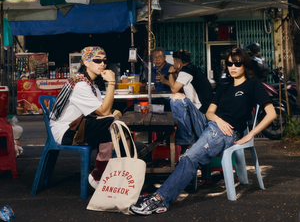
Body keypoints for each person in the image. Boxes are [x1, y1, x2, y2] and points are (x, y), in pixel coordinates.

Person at [130, 48, 277, 215]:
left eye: (237, 63)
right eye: (229, 63)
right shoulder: (224, 86)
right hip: (210, 124)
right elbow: (209, 113)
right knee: (177, 98)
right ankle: (186, 142)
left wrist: (250, 135)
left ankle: (160, 199)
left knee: (189, 158)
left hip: (227, 132)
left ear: (245, 65)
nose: (233, 67)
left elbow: (271, 113)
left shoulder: (253, 84)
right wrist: (218, 120)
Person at [49, 46, 117, 189]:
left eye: (104, 61)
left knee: (112, 123)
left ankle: (104, 172)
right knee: (111, 123)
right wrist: (111, 82)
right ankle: (99, 175)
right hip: (66, 132)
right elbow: (105, 112)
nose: (102, 64)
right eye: (97, 61)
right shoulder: (80, 84)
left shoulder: (93, 86)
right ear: (86, 62)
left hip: (79, 126)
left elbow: (102, 112)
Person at [167, 50, 213, 153]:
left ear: (179, 64)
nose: (174, 65)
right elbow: (176, 85)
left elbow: (174, 89)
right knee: (180, 99)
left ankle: (187, 142)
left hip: (202, 116)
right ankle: (186, 142)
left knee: (177, 98)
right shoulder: (194, 68)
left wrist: (170, 72)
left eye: (174, 62)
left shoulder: (185, 71)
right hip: (206, 113)